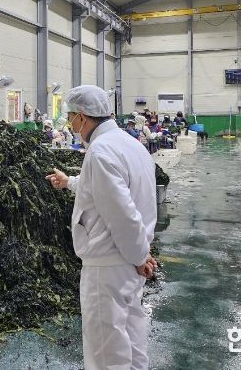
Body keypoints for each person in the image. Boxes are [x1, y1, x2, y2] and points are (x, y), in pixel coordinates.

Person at [45, 85, 157, 370]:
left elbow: (123, 215)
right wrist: (70, 182)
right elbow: (112, 191)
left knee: (107, 352)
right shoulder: (130, 144)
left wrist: (138, 257)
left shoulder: (100, 151)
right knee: (132, 339)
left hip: (109, 267)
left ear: (82, 117)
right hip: (129, 260)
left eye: (70, 117)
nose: (70, 124)